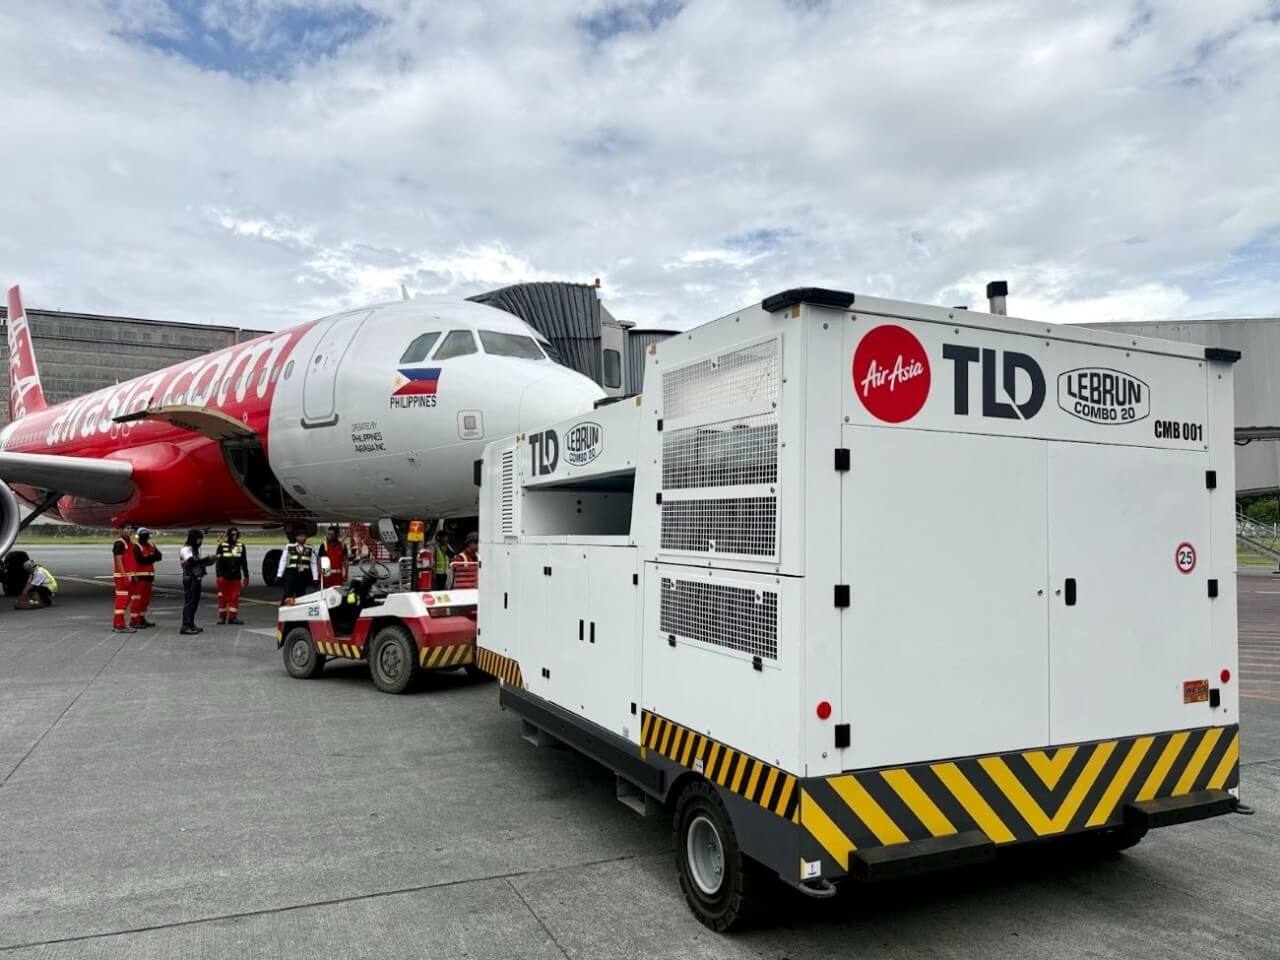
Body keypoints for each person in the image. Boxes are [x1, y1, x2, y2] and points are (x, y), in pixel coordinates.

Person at [178, 529, 213, 635]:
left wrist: (209, 561)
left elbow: (198, 563)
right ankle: (185, 626)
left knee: (195, 603)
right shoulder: (186, 549)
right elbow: (191, 562)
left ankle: (191, 624)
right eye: (198, 539)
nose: (200, 541)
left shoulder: (194, 549)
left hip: (196, 578)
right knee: (190, 603)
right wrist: (206, 559)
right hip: (190, 578)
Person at [214, 527, 250, 625]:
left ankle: (232, 617)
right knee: (223, 598)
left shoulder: (241, 546)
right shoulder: (221, 546)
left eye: (236, 535)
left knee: (234, 598)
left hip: (236, 577)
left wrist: (246, 576)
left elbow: (244, 562)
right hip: (224, 577)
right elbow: (218, 563)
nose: (234, 536)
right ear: (229, 535)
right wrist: (219, 576)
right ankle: (222, 617)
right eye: (232, 535)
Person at [129, 528, 162, 628]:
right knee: (137, 599)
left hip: (149, 576)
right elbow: (141, 560)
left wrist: (149, 557)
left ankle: (142, 619)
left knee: (145, 600)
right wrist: (152, 556)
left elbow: (159, 556)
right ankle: (135, 621)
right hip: (139, 577)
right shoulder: (136, 546)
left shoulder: (151, 545)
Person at [277, 529, 319, 601]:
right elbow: (283, 561)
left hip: (303, 575)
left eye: (305, 536)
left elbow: (313, 563)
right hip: (291, 574)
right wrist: (279, 575)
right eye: (301, 536)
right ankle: (285, 609)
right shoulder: (289, 546)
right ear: (296, 537)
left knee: (301, 595)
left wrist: (315, 578)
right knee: (288, 594)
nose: (303, 538)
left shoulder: (310, 548)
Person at [111, 521, 138, 633]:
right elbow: (119, 560)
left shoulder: (130, 543)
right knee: (122, 601)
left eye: (131, 528)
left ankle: (120, 624)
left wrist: (134, 575)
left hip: (130, 576)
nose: (130, 530)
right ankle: (118, 625)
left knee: (126, 601)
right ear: (121, 530)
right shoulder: (119, 543)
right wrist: (124, 577)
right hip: (122, 577)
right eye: (127, 528)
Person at [320, 525, 350, 589]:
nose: (328, 536)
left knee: (338, 593)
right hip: (327, 575)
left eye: (331, 534)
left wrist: (346, 573)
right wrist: (319, 574)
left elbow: (345, 560)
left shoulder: (342, 546)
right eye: (328, 534)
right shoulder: (323, 545)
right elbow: (319, 560)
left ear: (336, 535)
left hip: (338, 576)